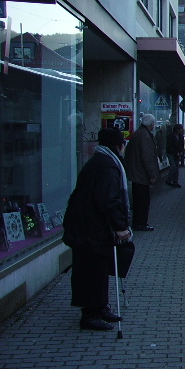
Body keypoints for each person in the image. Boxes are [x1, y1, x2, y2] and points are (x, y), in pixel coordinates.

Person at [63, 128, 132, 331]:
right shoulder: (107, 166)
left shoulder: (100, 161)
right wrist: (121, 227)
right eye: (123, 143)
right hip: (90, 229)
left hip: (89, 226)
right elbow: (108, 200)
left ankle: (100, 307)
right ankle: (90, 315)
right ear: (118, 146)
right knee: (91, 271)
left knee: (99, 268)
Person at [124, 114, 160, 232]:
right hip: (141, 175)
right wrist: (152, 175)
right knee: (143, 201)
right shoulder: (145, 136)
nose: (154, 126)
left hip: (136, 173)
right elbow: (147, 157)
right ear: (150, 124)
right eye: (153, 124)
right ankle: (141, 223)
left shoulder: (138, 133)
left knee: (138, 200)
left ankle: (138, 222)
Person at [165, 123, 184, 188]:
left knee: (176, 168)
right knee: (173, 166)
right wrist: (176, 152)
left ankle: (175, 182)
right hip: (171, 153)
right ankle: (168, 179)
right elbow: (170, 146)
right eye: (180, 129)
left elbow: (181, 145)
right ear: (177, 129)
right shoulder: (171, 135)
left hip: (177, 153)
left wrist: (181, 151)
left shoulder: (181, 136)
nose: (181, 131)